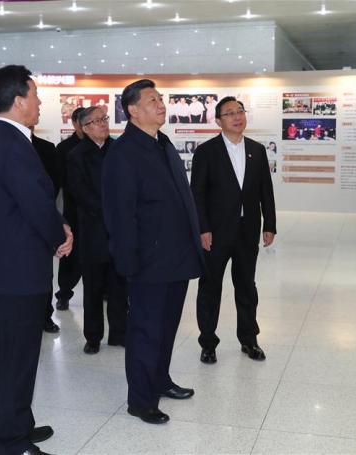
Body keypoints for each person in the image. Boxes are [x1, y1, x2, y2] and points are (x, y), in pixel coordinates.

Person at [0, 65, 73, 455]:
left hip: (15, 269)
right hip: (17, 273)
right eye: (36, 96)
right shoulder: (12, 143)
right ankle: (9, 440)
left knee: (15, 355)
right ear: (19, 101)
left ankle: (16, 422)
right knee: (14, 356)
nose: (39, 103)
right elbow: (35, 203)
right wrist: (60, 236)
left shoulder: (6, 140)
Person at [102, 79, 204, 425]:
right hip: (148, 261)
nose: (161, 104)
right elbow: (120, 213)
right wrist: (129, 262)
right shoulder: (124, 152)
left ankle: (160, 380)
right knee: (146, 330)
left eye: (161, 99)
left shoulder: (162, 143)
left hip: (177, 256)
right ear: (132, 111)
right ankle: (140, 400)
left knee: (167, 326)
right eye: (152, 100)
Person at [190, 96, 276, 365]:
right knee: (210, 287)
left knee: (246, 287)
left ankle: (249, 339)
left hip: (247, 230)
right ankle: (208, 342)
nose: (237, 117)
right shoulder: (206, 151)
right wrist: (203, 229)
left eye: (240, 111)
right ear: (218, 121)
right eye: (229, 113)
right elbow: (198, 195)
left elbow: (266, 191)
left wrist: (269, 224)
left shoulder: (257, 150)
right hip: (215, 233)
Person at [67, 106, 128, 354]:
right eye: (96, 121)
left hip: (120, 231)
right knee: (93, 287)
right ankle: (93, 336)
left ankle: (119, 333)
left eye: (104, 119)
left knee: (119, 284)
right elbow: (80, 194)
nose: (103, 124)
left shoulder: (120, 150)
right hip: (92, 231)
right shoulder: (76, 155)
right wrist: (112, 212)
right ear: (84, 127)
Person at [53, 107, 85, 311]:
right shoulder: (64, 148)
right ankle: (64, 293)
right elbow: (60, 181)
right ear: (74, 124)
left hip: (99, 214)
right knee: (71, 257)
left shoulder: (108, 145)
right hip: (73, 209)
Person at [31, 127, 62, 333]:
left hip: (43, 215)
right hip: (18, 223)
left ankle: (45, 316)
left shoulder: (46, 147)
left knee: (45, 272)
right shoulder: (5, 146)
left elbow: (55, 180)